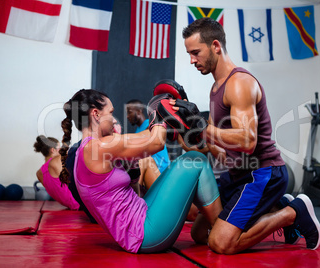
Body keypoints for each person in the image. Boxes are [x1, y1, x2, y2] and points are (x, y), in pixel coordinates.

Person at [178, 17, 320, 254]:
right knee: (199, 234)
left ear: (215, 46)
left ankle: (292, 212)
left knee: (221, 243)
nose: (192, 60)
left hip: (262, 172)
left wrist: (201, 126)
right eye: (189, 54)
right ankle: (278, 205)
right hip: (236, 175)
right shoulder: (216, 87)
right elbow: (217, 144)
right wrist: (185, 134)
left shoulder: (239, 84)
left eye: (195, 52)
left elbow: (247, 141)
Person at [58, 89, 222, 253]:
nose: (114, 118)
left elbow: (145, 137)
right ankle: (221, 230)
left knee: (186, 161)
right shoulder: (97, 147)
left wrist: (156, 114)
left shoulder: (88, 148)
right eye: (111, 112)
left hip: (142, 216)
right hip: (144, 235)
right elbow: (156, 143)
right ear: (96, 114)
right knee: (195, 160)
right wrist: (159, 112)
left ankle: (203, 230)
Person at [126, 99, 170, 191]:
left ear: (139, 111)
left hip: (161, 171)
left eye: (129, 112)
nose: (127, 116)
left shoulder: (150, 126)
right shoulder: (138, 131)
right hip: (149, 172)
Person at [33, 135, 80, 210]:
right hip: (79, 202)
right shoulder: (56, 161)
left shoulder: (39, 173)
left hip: (71, 205)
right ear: (53, 150)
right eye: (59, 147)